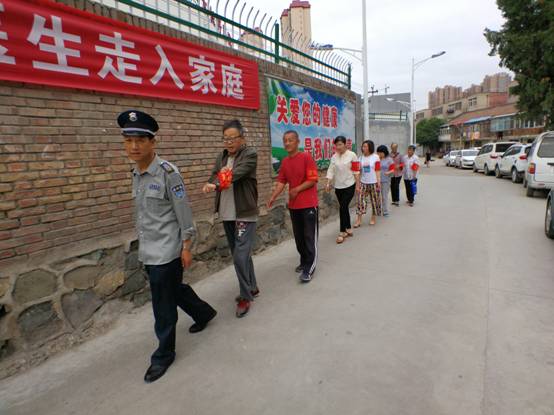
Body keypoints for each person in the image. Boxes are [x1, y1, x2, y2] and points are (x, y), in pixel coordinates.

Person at [119, 110, 217, 384]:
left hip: (167, 250)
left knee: (162, 305)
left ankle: (163, 355)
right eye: (128, 140)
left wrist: (186, 245)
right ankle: (204, 312)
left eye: (140, 140)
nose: (134, 146)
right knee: (173, 290)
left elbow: (183, 212)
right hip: (149, 250)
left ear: (153, 142)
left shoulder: (168, 174)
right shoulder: (136, 173)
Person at [202, 119, 258, 318]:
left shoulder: (250, 154)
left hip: (244, 213)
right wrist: (210, 182)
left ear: (242, 138)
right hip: (227, 213)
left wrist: (217, 182)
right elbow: (214, 175)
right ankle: (252, 286)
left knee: (239, 256)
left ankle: (245, 296)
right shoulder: (222, 156)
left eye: (233, 138)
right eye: (225, 138)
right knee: (240, 253)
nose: (229, 142)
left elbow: (236, 174)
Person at [267, 130, 319, 283]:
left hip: (309, 204)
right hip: (294, 205)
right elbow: (281, 182)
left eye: (290, 140)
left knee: (309, 236)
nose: (287, 143)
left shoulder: (306, 157)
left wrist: (297, 189)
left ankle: (309, 268)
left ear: (297, 142)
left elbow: (313, 179)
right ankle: (304, 261)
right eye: (285, 140)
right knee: (299, 237)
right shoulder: (285, 162)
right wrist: (273, 196)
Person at [325, 136, 359, 244]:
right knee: (344, 208)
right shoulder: (334, 157)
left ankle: (342, 232)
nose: (338, 147)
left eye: (340, 144)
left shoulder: (352, 155)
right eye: (336, 145)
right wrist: (328, 182)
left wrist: (358, 185)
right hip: (338, 187)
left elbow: (356, 171)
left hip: (350, 185)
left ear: (345, 144)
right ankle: (348, 227)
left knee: (342, 207)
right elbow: (331, 170)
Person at [354, 140, 381, 227]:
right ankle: (359, 220)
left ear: (370, 147)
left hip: (374, 182)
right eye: (363, 146)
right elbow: (358, 172)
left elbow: (377, 170)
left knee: (374, 201)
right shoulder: (360, 158)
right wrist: (357, 184)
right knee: (360, 201)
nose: (363, 148)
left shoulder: (376, 157)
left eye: (365, 146)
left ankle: (373, 218)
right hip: (363, 182)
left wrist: (378, 182)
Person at [377, 145, 394, 217]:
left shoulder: (389, 160)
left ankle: (385, 211)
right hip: (376, 180)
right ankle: (378, 210)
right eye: (378, 152)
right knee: (377, 196)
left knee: (384, 196)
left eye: (381, 153)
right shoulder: (376, 159)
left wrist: (388, 172)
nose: (379, 154)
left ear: (384, 152)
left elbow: (393, 169)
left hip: (385, 181)